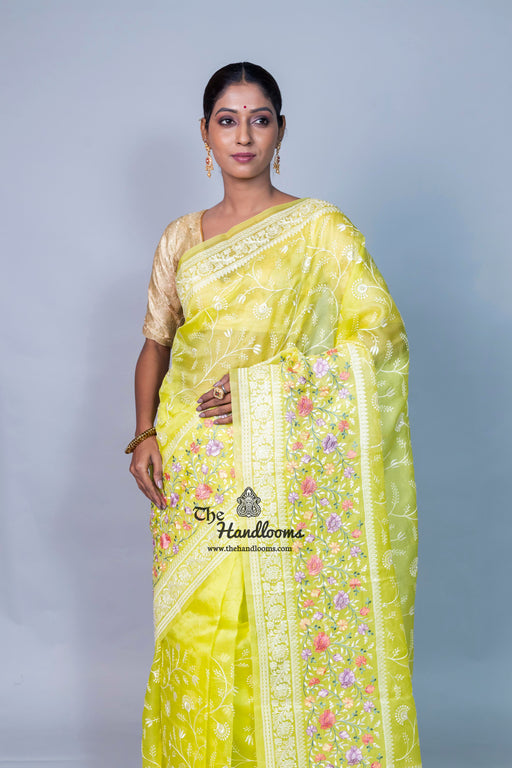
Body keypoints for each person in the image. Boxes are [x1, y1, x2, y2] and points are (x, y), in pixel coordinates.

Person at [127, 61, 422, 768]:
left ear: (280, 131)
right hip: (191, 466)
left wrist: (269, 391)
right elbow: (156, 343)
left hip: (282, 465)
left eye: (259, 120)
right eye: (227, 120)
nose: (243, 136)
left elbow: (381, 336)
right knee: (194, 637)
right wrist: (143, 434)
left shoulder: (320, 228)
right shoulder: (180, 239)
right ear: (205, 133)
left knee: (270, 634)